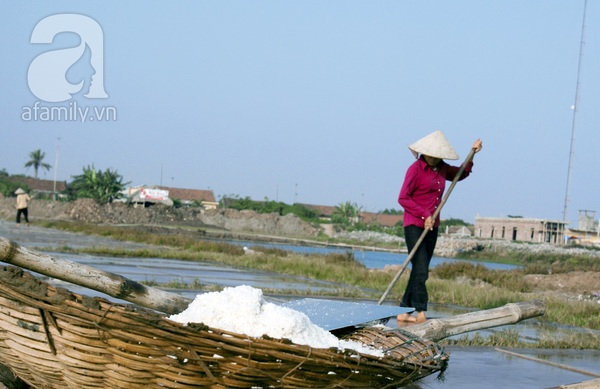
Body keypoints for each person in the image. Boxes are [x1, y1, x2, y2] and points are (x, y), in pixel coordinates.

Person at [396, 131, 482, 324]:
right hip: (414, 224)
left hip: (432, 226)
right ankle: (420, 311)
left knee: (421, 268)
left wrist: (473, 154)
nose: (435, 159)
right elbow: (403, 198)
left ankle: (403, 311)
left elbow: (460, 174)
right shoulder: (415, 169)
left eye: (438, 156)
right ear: (424, 153)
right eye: (431, 155)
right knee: (420, 269)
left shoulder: (442, 168)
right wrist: (424, 214)